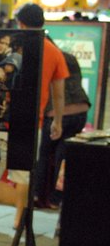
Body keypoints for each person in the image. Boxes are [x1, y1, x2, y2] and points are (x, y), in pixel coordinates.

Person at [0, 3, 68, 230]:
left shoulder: (12, 47)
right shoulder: (54, 52)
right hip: (31, 120)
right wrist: (58, 121)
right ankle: (20, 219)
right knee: (23, 173)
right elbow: (59, 94)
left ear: (21, 23)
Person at [34, 49, 90, 208]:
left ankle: (36, 195)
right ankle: (56, 199)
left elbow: (57, 93)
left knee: (43, 154)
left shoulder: (46, 57)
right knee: (63, 156)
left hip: (56, 112)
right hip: (80, 109)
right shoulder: (69, 57)